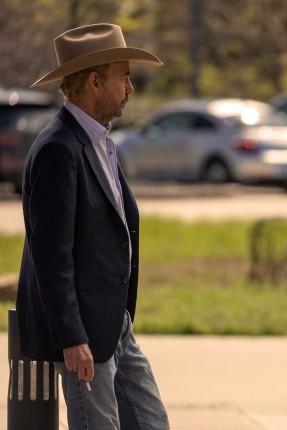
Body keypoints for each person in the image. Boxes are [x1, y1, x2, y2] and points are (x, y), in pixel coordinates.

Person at [17, 23, 169, 429]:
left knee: (153, 424)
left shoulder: (100, 142)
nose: (130, 88)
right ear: (95, 82)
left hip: (114, 323)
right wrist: (72, 337)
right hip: (83, 333)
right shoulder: (58, 148)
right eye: (125, 77)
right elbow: (51, 257)